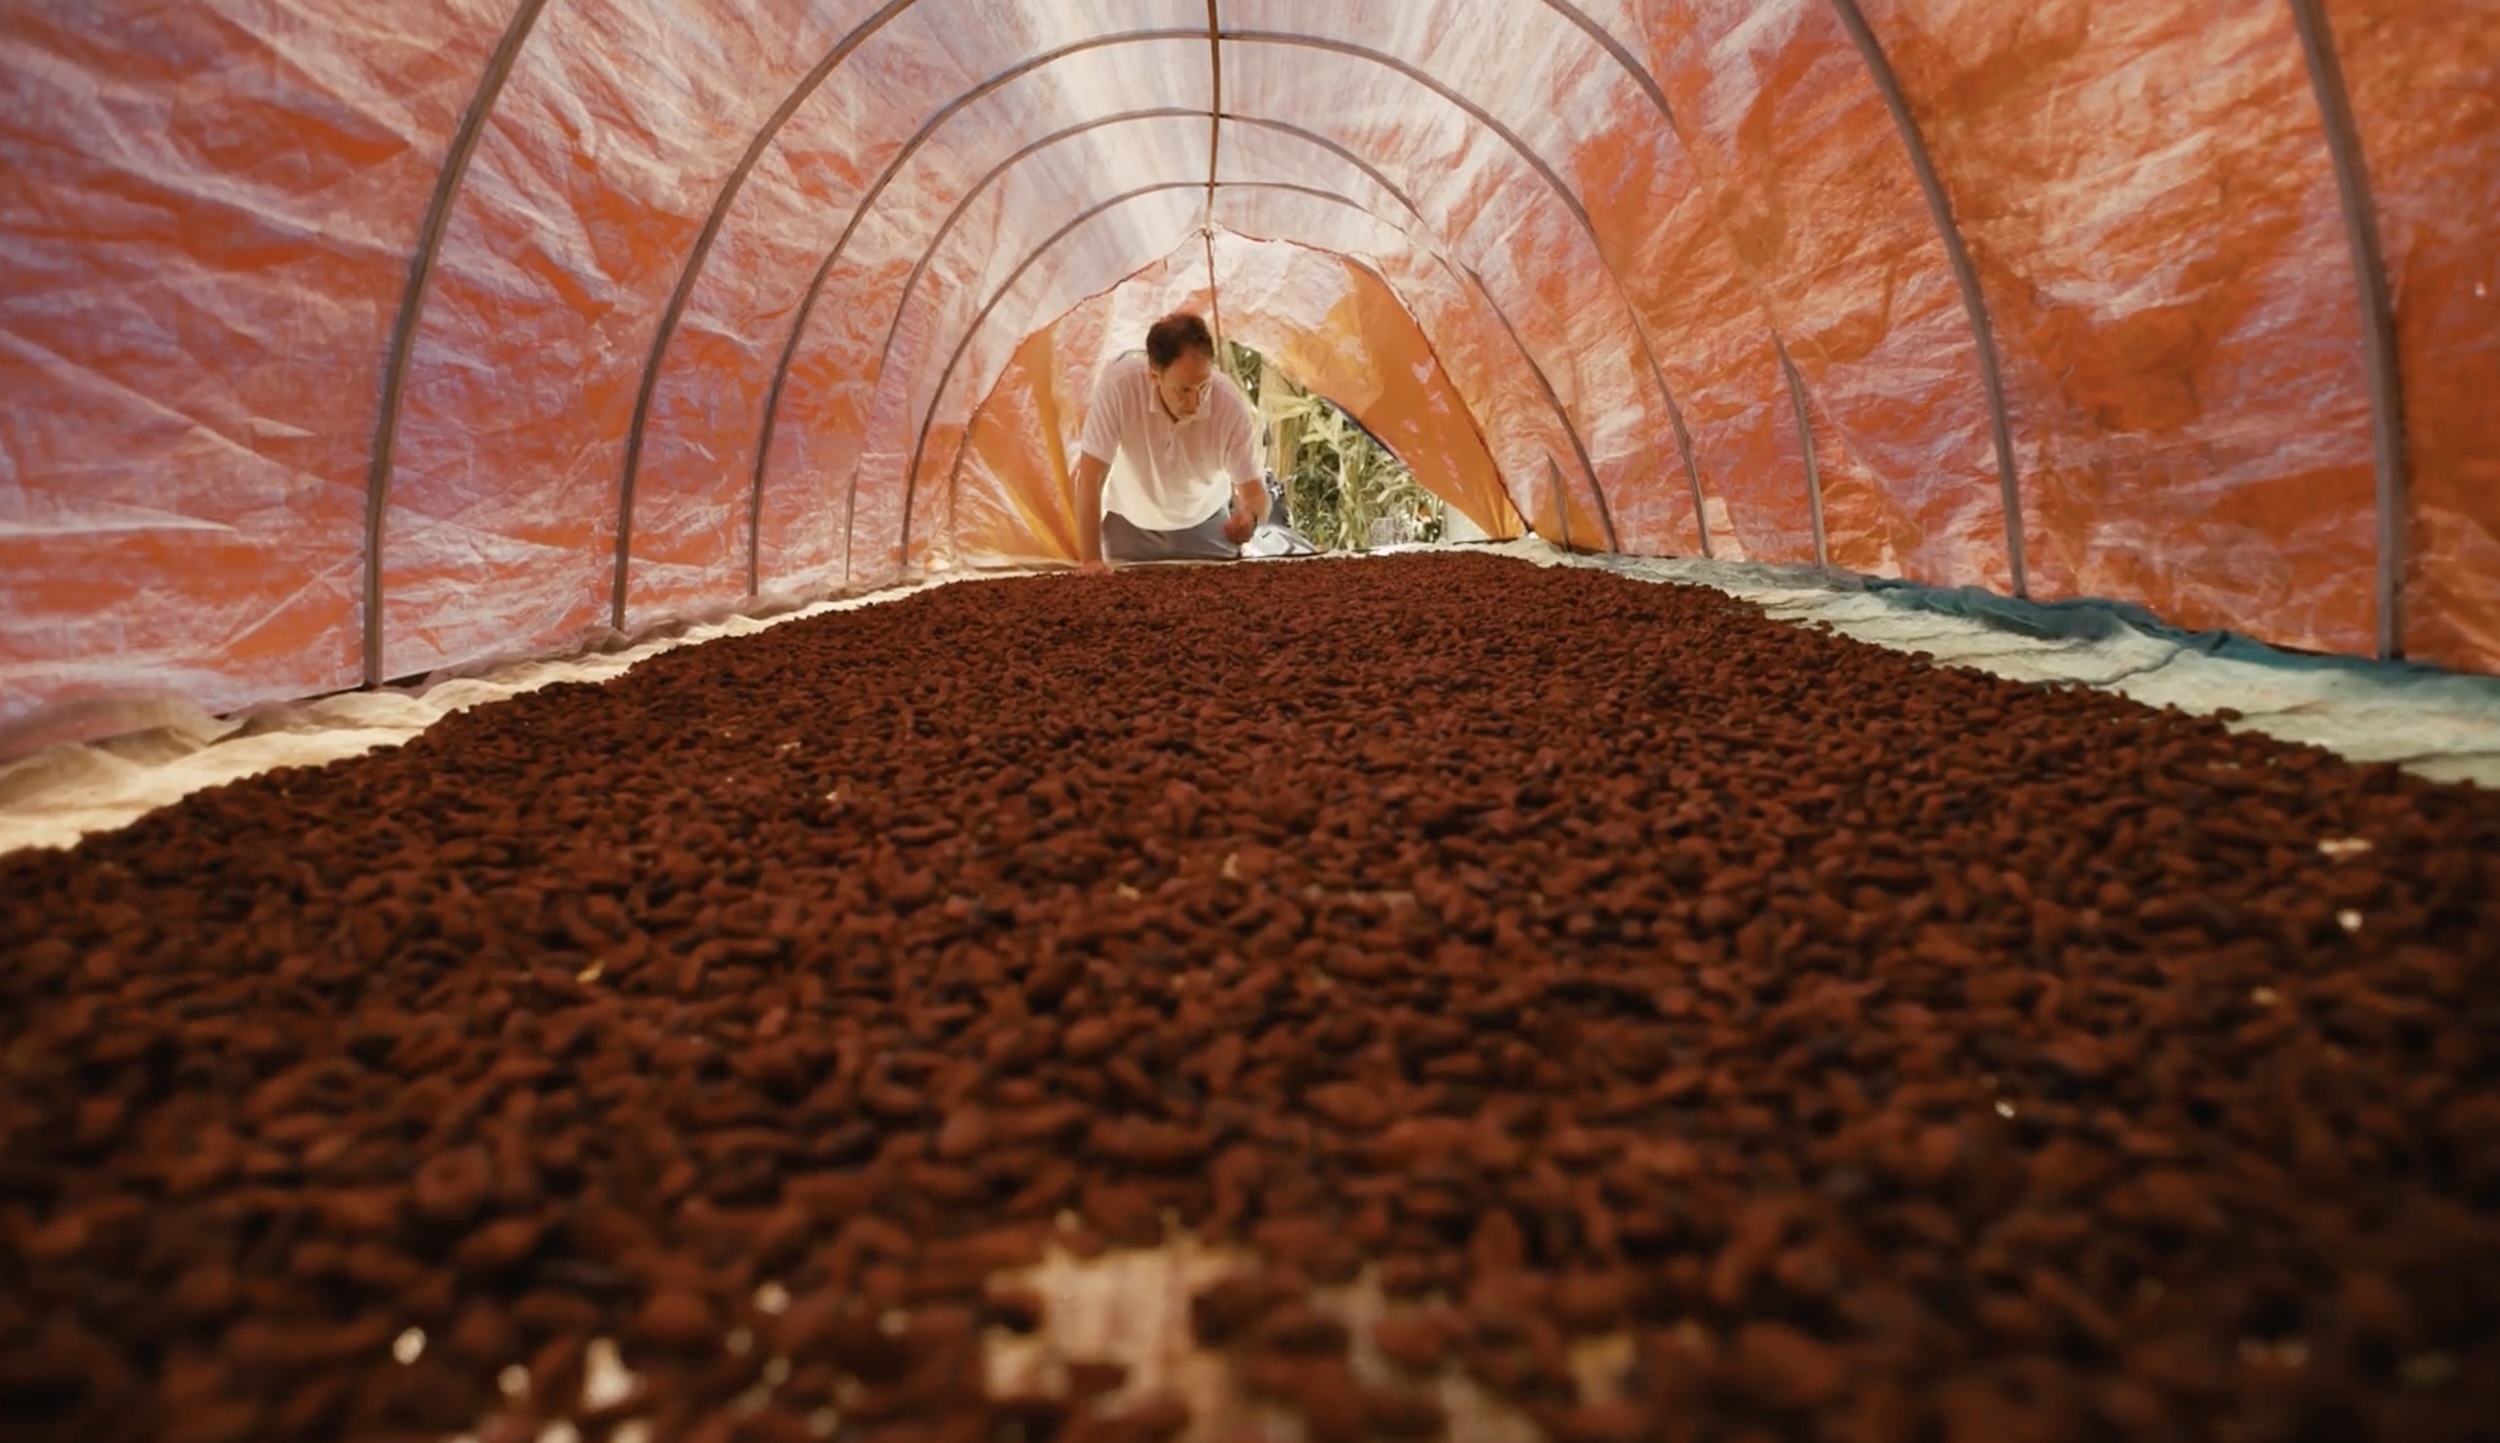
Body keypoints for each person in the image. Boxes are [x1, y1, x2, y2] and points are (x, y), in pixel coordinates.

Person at [1072, 311, 1270, 574]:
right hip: (1128, 525)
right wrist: (1091, 560)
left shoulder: (1228, 403)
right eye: (1184, 390)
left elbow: (1254, 492)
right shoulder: (1119, 387)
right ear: (1154, 376)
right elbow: (1090, 478)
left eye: (1203, 386)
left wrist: (1249, 518)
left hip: (1206, 524)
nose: (1195, 402)